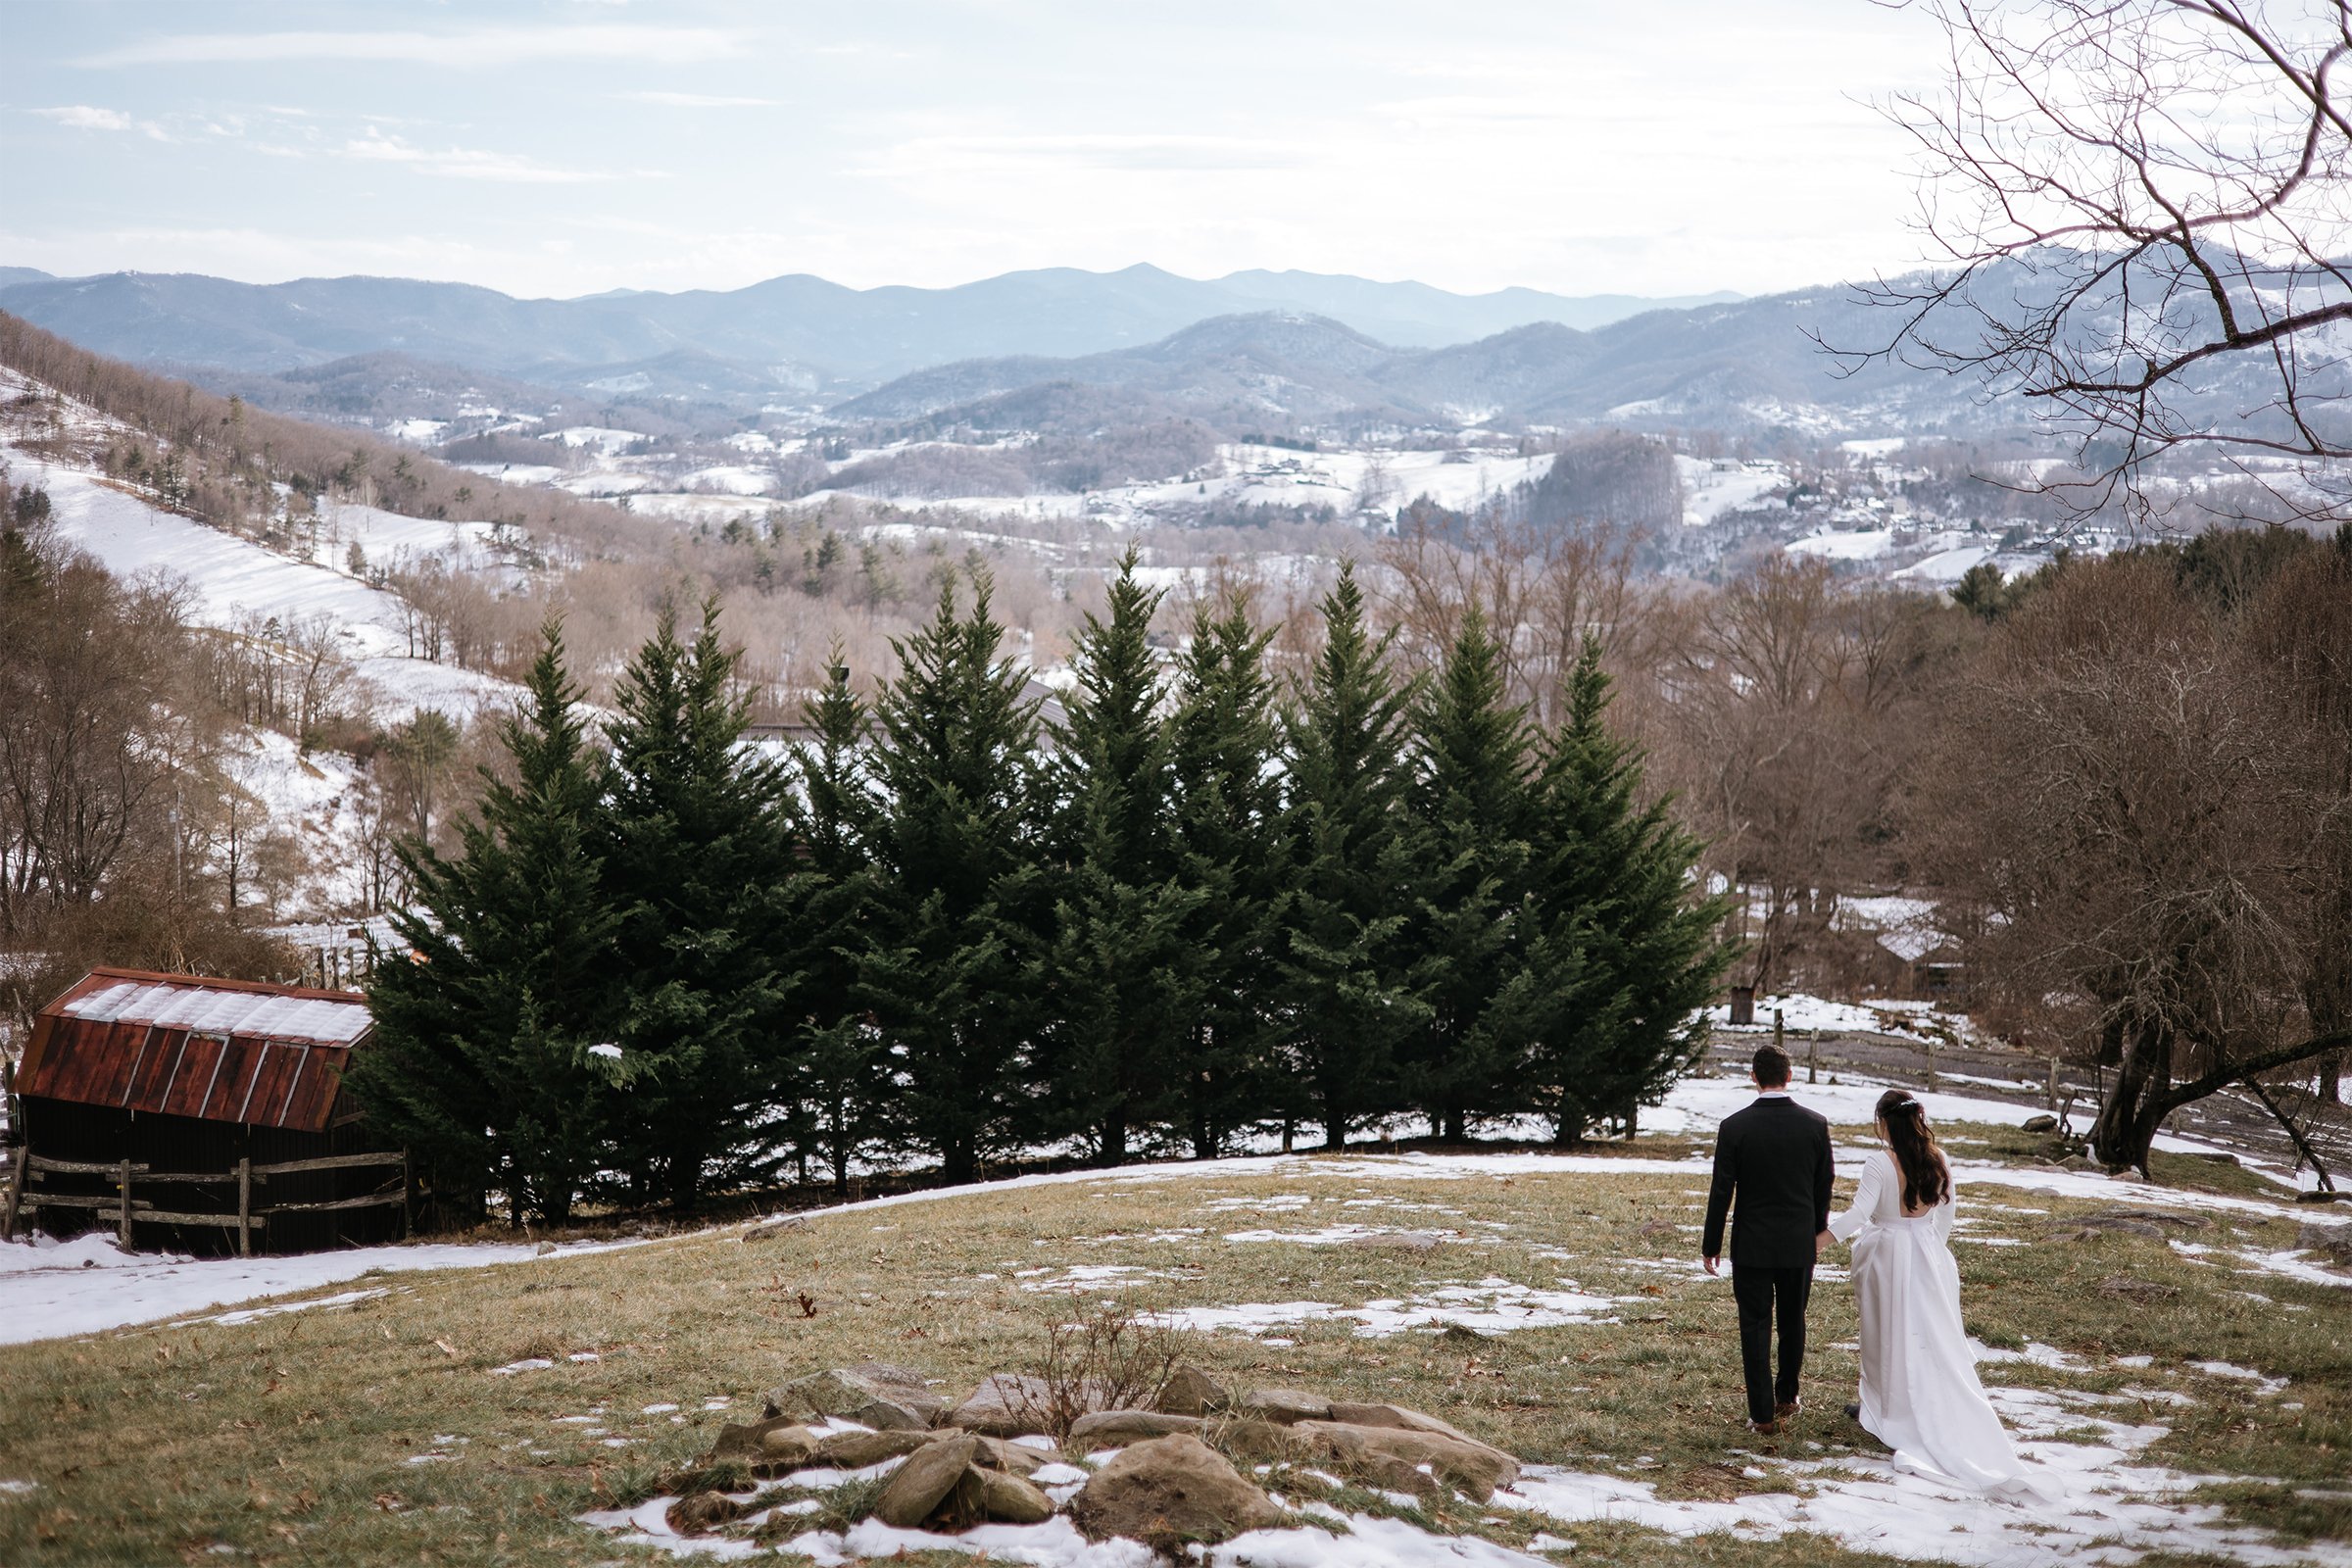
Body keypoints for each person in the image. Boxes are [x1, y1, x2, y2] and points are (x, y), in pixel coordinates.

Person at [1828, 1089, 2048, 1494]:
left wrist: (1819, 1240)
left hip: (1888, 1254)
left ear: (1883, 1123)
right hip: (1927, 1254)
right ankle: (1894, 1408)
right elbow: (1946, 1213)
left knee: (1885, 1333)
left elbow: (1859, 1214)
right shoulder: (1939, 1159)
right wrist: (1932, 1252)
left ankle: (1887, 1412)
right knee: (1927, 1335)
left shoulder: (1878, 1162)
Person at [1703, 1043, 1835, 1435]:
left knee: (1754, 1325)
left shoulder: (1734, 1127)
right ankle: (1787, 1396)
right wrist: (1815, 1231)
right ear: (1789, 1076)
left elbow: (1721, 1191)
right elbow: (1823, 1184)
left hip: (1752, 1245)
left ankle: (1761, 1415)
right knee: (1794, 1319)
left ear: (1753, 1077)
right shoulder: (1815, 1124)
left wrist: (1711, 1244)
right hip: (1798, 1243)